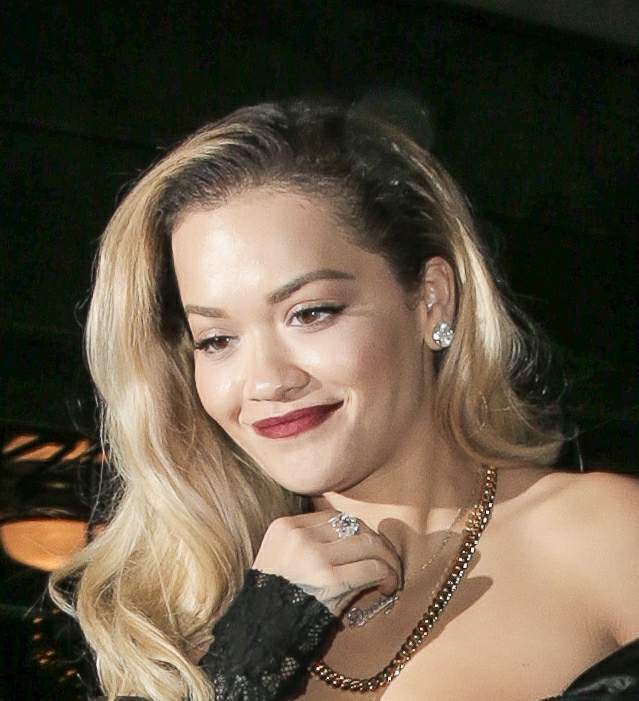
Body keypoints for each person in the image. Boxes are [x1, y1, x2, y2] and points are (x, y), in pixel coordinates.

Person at [50, 97, 639, 701]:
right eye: (217, 339)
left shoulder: (607, 537)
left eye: (311, 313)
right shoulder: (185, 628)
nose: (267, 381)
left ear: (430, 300)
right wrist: (254, 645)